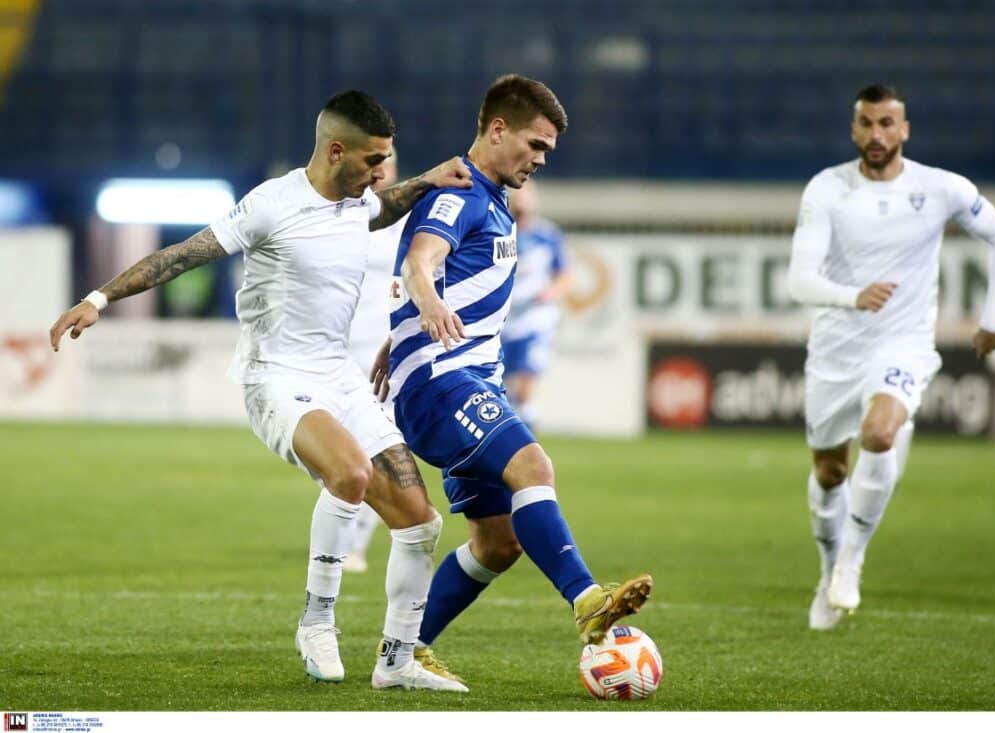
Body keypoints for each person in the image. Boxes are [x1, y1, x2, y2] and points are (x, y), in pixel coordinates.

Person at [49, 90, 473, 692]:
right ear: (335, 151)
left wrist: (430, 180)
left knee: (419, 522)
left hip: (339, 375)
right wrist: (98, 299)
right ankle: (317, 622)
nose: (382, 172)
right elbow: (183, 255)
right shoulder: (272, 205)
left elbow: (379, 210)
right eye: (373, 159)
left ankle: (397, 661)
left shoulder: (358, 200)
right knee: (350, 474)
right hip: (275, 375)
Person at [374, 74, 652, 683]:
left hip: (466, 379)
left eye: (548, 150)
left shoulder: (497, 201)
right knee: (534, 467)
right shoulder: (460, 193)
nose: (541, 159)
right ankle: (587, 600)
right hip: (445, 383)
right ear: (498, 129)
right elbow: (421, 260)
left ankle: (402, 653)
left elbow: (443, 278)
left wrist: (396, 336)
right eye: (535, 144)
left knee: (498, 542)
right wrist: (426, 308)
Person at [787, 84, 995, 631]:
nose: (876, 134)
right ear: (853, 129)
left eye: (887, 123)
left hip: (903, 343)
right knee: (829, 471)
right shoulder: (828, 189)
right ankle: (828, 570)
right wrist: (853, 296)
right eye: (867, 123)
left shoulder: (939, 188)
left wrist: (992, 319)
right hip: (837, 347)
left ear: (904, 129)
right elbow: (799, 280)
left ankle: (852, 559)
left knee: (881, 433)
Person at [342, 153, 405, 575]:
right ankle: (345, 533)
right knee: (338, 454)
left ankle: (354, 544)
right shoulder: (338, 218)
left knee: (376, 447)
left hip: (383, 353)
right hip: (337, 352)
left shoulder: (407, 222)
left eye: (389, 163)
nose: (380, 171)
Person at [499, 179, 572, 431]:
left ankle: (527, 428)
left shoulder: (547, 235)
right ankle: (512, 428)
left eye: (526, 195)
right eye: (517, 195)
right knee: (500, 385)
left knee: (526, 380)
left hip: (535, 319)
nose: (521, 200)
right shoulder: (498, 230)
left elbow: (566, 275)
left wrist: (550, 293)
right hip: (502, 320)